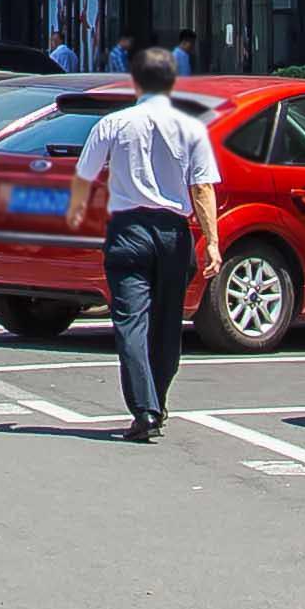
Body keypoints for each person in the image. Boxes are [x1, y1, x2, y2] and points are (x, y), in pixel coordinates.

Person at [66, 45, 222, 445]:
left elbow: (85, 173)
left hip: (128, 230)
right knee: (168, 322)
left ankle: (145, 409)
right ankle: (160, 399)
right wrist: (213, 244)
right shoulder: (193, 128)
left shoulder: (114, 123)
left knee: (131, 321)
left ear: (135, 82)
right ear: (172, 82)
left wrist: (77, 211)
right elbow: (202, 188)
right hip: (175, 231)